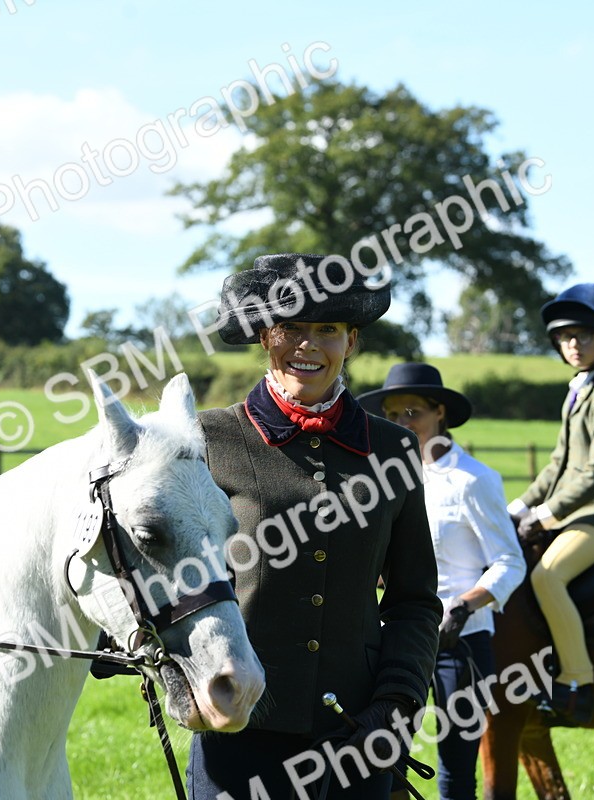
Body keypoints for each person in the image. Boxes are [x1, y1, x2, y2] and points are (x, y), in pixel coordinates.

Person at [188, 254, 442, 800]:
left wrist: (395, 704)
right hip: (238, 727)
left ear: (351, 342)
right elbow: (174, 578)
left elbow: (414, 600)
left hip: (357, 734)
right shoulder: (208, 439)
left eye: (327, 329)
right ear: (264, 336)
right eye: (290, 329)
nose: (308, 345)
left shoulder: (394, 447)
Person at [358, 362, 525, 800]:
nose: (401, 424)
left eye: (412, 412)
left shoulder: (475, 480)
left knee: (455, 768)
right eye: (392, 415)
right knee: (385, 761)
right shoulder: (385, 481)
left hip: (461, 642)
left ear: (440, 414)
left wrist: (466, 607)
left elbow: (510, 561)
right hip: (397, 638)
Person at [507, 283, 594, 726]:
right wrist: (518, 507)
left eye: (584, 335)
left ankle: (577, 681)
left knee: (547, 577)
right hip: (580, 507)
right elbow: (557, 466)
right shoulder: (580, 390)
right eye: (566, 337)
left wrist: (546, 516)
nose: (573, 344)